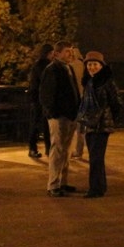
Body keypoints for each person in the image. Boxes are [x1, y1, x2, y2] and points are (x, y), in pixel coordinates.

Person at [78, 51, 122, 198]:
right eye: (89, 64)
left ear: (101, 66)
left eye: (95, 64)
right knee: (94, 157)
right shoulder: (88, 82)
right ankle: (99, 186)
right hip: (89, 123)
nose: (92, 67)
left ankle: (95, 189)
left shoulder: (107, 81)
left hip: (101, 124)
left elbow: (116, 102)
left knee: (96, 157)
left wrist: (109, 117)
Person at [39, 41, 80, 197]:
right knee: (57, 149)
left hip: (70, 115)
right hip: (59, 116)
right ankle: (53, 184)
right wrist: (53, 114)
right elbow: (46, 94)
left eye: (71, 50)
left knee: (66, 150)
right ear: (57, 54)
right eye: (67, 51)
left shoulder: (67, 68)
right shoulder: (52, 70)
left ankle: (63, 182)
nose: (71, 54)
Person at [26, 43, 53, 159]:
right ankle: (47, 148)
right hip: (41, 99)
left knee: (37, 124)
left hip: (36, 98)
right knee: (45, 124)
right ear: (48, 53)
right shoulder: (47, 66)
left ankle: (33, 148)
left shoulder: (37, 65)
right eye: (51, 53)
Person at [69, 45, 87, 160]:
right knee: (81, 127)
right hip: (84, 98)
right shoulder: (84, 65)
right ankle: (79, 150)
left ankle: (73, 151)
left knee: (73, 126)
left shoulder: (71, 66)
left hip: (74, 99)